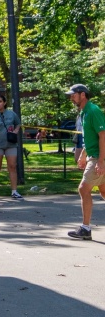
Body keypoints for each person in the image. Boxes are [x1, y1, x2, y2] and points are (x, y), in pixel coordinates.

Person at [67, 84, 105, 240]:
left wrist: (101, 161)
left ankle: (85, 228)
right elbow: (90, 138)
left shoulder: (93, 111)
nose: (71, 97)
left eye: (73, 94)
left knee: (83, 189)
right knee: (103, 191)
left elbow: (103, 135)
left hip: (99, 156)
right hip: (93, 155)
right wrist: (83, 154)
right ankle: (85, 228)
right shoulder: (83, 112)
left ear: (82, 95)